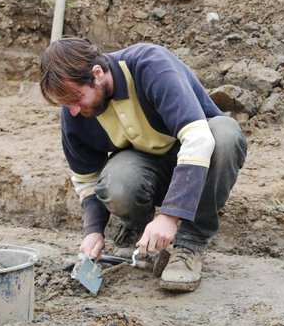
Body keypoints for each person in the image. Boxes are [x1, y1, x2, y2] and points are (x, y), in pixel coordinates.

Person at [39, 37, 248, 293]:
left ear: (96, 74)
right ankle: (138, 231)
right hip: (149, 169)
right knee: (118, 180)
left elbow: (198, 140)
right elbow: (86, 177)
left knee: (224, 134)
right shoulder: (75, 111)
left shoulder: (151, 67)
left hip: (200, 168)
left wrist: (169, 217)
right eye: (66, 104)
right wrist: (93, 232)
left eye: (77, 98)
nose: (72, 110)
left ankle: (190, 245)